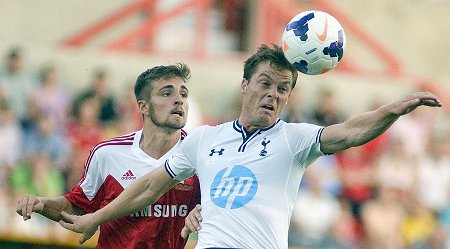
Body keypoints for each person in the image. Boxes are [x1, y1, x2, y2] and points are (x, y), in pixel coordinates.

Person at [58, 44, 441, 249]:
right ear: (245, 85)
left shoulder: (295, 140)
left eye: (282, 88)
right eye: (265, 83)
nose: (272, 94)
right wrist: (96, 218)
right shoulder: (206, 139)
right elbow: (147, 186)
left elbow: (351, 132)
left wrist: (392, 110)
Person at [16, 63, 201, 249]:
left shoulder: (200, 157)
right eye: (167, 93)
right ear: (143, 107)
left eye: (183, 94)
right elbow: (77, 207)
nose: (179, 100)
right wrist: (41, 204)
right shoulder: (108, 153)